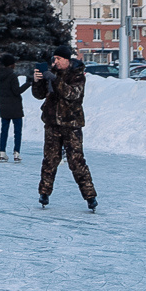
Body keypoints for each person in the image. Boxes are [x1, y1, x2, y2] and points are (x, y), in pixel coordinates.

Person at [30, 44, 96, 211]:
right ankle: (44, 193)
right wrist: (38, 81)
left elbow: (73, 94)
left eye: (59, 59)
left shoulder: (78, 75)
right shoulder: (53, 72)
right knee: (50, 160)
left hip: (71, 124)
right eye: (55, 58)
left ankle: (90, 196)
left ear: (67, 60)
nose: (56, 61)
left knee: (76, 161)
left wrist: (55, 79)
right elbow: (39, 95)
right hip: (52, 123)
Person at [0, 52, 30, 163]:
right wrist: (28, 83)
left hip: (4, 107)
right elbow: (17, 91)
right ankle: (16, 153)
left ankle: (2, 152)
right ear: (11, 64)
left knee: (4, 130)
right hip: (15, 107)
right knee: (17, 131)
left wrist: (0, 105)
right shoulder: (12, 76)